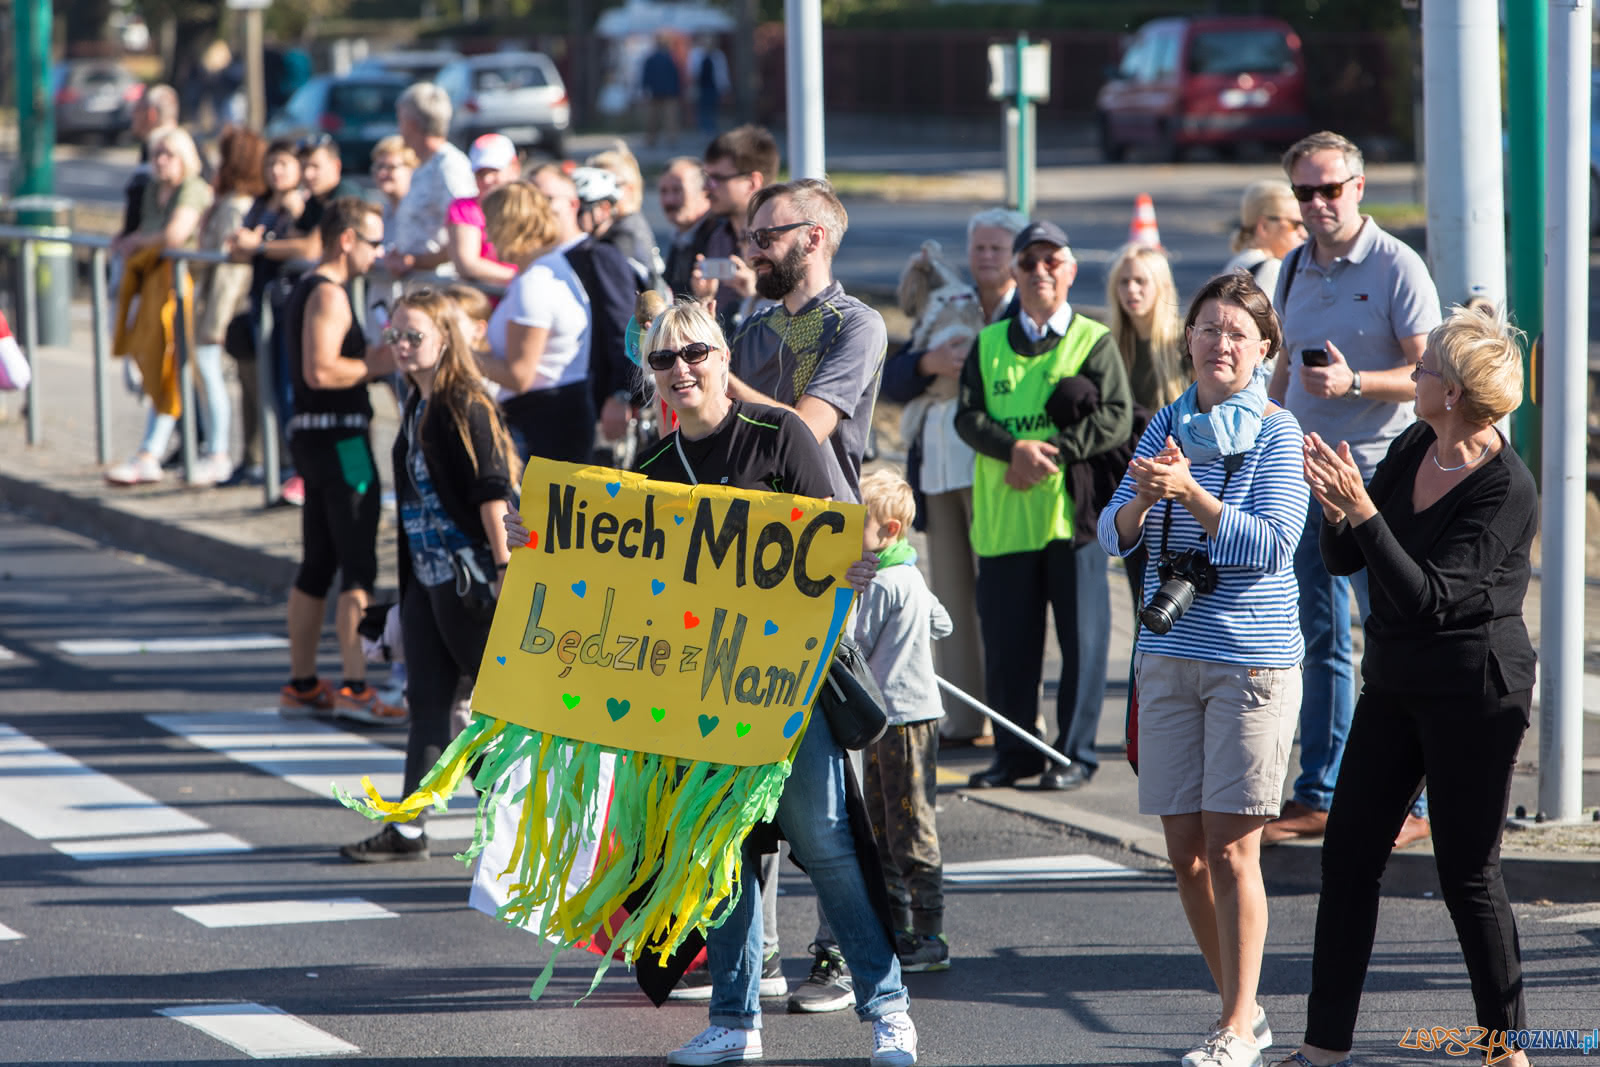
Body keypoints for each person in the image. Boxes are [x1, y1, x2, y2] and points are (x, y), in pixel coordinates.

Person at [505, 299, 919, 1067]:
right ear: (653, 377)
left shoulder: (782, 433)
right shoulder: (654, 469)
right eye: (665, 360)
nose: (682, 370)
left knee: (827, 845)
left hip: (789, 689)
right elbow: (620, 582)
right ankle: (734, 1019)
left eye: (695, 353)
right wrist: (538, 545)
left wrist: (856, 561)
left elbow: (840, 526)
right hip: (699, 695)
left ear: (724, 359)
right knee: (717, 851)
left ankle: (888, 1009)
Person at [1275, 305, 1536, 1067]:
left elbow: (1430, 596)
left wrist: (1363, 511)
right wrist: (1338, 509)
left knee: (1466, 871)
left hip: (1475, 692)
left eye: (1425, 370)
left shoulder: (1505, 488)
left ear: (1452, 392)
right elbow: (1353, 559)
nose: (1412, 375)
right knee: (1348, 856)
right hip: (1395, 682)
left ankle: (1507, 1048)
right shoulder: (1419, 438)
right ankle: (1324, 1048)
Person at [1098, 270, 1308, 1067]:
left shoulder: (1277, 434)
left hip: (1248, 662)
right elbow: (1111, 535)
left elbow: (1270, 546)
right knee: (1182, 850)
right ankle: (1244, 1012)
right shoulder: (1166, 423)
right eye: (1208, 329)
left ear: (1263, 352)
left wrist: (1190, 493)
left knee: (1232, 848)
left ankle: (1232, 1026)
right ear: (1186, 337)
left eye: (1237, 334)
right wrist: (1147, 499)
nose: (1220, 344)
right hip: (1167, 656)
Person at [723, 176, 890, 1015]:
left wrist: (712, 387)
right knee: (744, 760)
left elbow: (806, 428)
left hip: (819, 563)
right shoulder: (750, 328)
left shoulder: (855, 324)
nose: (752, 245)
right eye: (749, 234)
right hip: (738, 567)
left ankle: (836, 955)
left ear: (815, 236)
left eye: (766, 232)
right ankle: (760, 955)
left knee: (822, 770)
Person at [1264, 131, 1442, 851]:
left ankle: (1414, 801)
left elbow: (1432, 377)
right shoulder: (1291, 268)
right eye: (1304, 192)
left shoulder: (1398, 265)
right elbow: (1277, 376)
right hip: (1307, 478)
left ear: (1359, 188)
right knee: (1321, 637)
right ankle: (1321, 790)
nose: (1317, 204)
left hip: (1378, 478)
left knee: (1392, 635)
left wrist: (1355, 382)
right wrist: (1263, 443)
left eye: (1330, 189)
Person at [341, 287, 518, 863]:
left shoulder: (464, 402)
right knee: (428, 704)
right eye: (394, 335)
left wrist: (503, 569)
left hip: (468, 582)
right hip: (427, 581)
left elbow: (494, 492)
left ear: (446, 340)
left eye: (413, 336)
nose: (400, 346)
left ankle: (515, 829)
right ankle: (409, 828)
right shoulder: (415, 400)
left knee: (487, 712)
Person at [955, 220, 1131, 795]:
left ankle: (1074, 753)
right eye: (1029, 263)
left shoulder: (1092, 339)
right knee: (1008, 649)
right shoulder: (986, 344)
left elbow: (1117, 418)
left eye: (1051, 262)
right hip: (1006, 520)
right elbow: (968, 416)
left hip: (1071, 521)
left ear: (1070, 271)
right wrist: (1013, 450)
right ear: (1015, 273)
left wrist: (1051, 453)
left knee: (1082, 645)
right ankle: (1015, 754)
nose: (1040, 272)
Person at [880, 206, 1025, 742]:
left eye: (997, 248)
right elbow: (893, 380)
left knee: (1003, 597)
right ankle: (964, 720)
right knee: (949, 595)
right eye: (979, 247)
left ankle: (1013, 716)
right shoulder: (948, 304)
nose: (986, 257)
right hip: (939, 469)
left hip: (997, 472)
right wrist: (927, 364)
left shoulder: (1027, 311)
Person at [277, 198, 401, 724]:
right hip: (344, 444)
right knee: (357, 563)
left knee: (319, 561)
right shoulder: (328, 294)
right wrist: (376, 362)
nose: (379, 252)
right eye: (374, 241)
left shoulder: (312, 287)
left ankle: (304, 683)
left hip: (317, 440)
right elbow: (320, 371)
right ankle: (355, 686)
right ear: (347, 239)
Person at [854, 468, 954, 974]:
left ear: (889, 531)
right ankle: (903, 926)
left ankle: (927, 934)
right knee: (894, 822)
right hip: (912, 712)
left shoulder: (881, 583)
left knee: (903, 826)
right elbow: (942, 623)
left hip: (898, 715)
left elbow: (855, 644)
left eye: (861, 527)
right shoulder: (911, 574)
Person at [106, 126, 215, 486]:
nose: (161, 161)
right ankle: (177, 447)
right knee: (160, 366)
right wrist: (128, 238)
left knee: (183, 369)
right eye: (156, 154)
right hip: (152, 285)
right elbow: (146, 231)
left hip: (186, 289)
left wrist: (137, 240)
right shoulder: (153, 188)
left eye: (168, 154)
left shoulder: (194, 188)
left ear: (185, 156)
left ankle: (175, 450)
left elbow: (174, 235)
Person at [479, 180, 593, 464]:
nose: (488, 236)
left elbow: (519, 376)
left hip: (544, 423)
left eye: (490, 225)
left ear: (509, 226)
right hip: (556, 414)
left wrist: (459, 354)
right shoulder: (548, 267)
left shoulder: (535, 282)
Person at [528, 163, 639, 447]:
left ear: (573, 204)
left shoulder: (599, 256)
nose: (537, 207)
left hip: (595, 410)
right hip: (546, 408)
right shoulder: (535, 261)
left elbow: (624, 330)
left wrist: (620, 394)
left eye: (547, 198)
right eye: (530, 198)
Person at [1105, 242, 1189, 607]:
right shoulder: (1110, 345)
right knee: (1140, 598)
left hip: (1180, 489)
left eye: (1141, 281)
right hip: (1132, 490)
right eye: (1124, 282)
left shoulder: (1183, 344)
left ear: (1161, 287)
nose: (1131, 291)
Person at [221, 138, 305, 487]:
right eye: (271, 164)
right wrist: (247, 246)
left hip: (289, 305)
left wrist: (261, 246)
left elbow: (307, 246)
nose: (276, 171)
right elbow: (239, 248)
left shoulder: (298, 205)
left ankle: (294, 467)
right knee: (263, 387)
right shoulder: (261, 204)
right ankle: (268, 463)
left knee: (288, 391)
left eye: (284, 164)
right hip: (261, 304)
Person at [189, 125, 267, 486]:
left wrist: (216, 321)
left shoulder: (238, 206)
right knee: (227, 379)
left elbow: (231, 274)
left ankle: (220, 451)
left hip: (230, 308)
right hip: (221, 305)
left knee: (220, 377)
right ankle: (240, 456)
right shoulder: (228, 201)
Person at [384, 83, 476, 281]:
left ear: (411, 123)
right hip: (419, 289)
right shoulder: (423, 164)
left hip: (439, 290)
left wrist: (415, 261)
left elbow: (463, 234)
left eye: (400, 120)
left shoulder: (449, 166)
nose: (399, 128)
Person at [691, 125, 779, 327]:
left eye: (717, 179)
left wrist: (756, 296)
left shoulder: (785, 241)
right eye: (707, 178)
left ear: (752, 182)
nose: (706, 188)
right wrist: (704, 301)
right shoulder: (719, 236)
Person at [585, 141, 666, 291]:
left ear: (629, 188)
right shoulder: (621, 225)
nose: (595, 193)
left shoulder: (626, 233)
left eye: (606, 184)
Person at [446, 134, 519, 286]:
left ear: (514, 168)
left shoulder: (530, 205)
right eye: (480, 173)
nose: (486, 180)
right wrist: (522, 278)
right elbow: (467, 264)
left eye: (493, 171)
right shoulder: (464, 208)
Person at [1222, 180, 1305, 306]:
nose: (1304, 233)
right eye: (1295, 224)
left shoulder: (1237, 264)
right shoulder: (1271, 268)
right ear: (1264, 227)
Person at [120, 84, 181, 238]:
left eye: (136, 111)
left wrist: (137, 241)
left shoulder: (171, 149)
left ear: (150, 114)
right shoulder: (149, 147)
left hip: (159, 253)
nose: (132, 116)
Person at [660, 156, 713, 296]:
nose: (669, 200)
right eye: (663, 191)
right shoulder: (680, 236)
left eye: (677, 190)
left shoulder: (718, 237)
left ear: (705, 192)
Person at [640, 33, 683, 146]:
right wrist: (678, 91)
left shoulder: (650, 58)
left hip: (655, 92)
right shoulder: (671, 58)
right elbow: (676, 76)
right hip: (670, 93)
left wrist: (645, 89)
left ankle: (651, 140)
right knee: (670, 118)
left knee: (653, 118)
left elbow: (646, 76)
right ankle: (671, 140)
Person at [688, 36, 731, 135]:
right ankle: (704, 129)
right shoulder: (696, 55)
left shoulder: (718, 56)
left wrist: (725, 88)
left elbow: (722, 73)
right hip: (701, 87)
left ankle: (712, 129)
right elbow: (692, 71)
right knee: (702, 108)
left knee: (713, 108)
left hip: (714, 87)